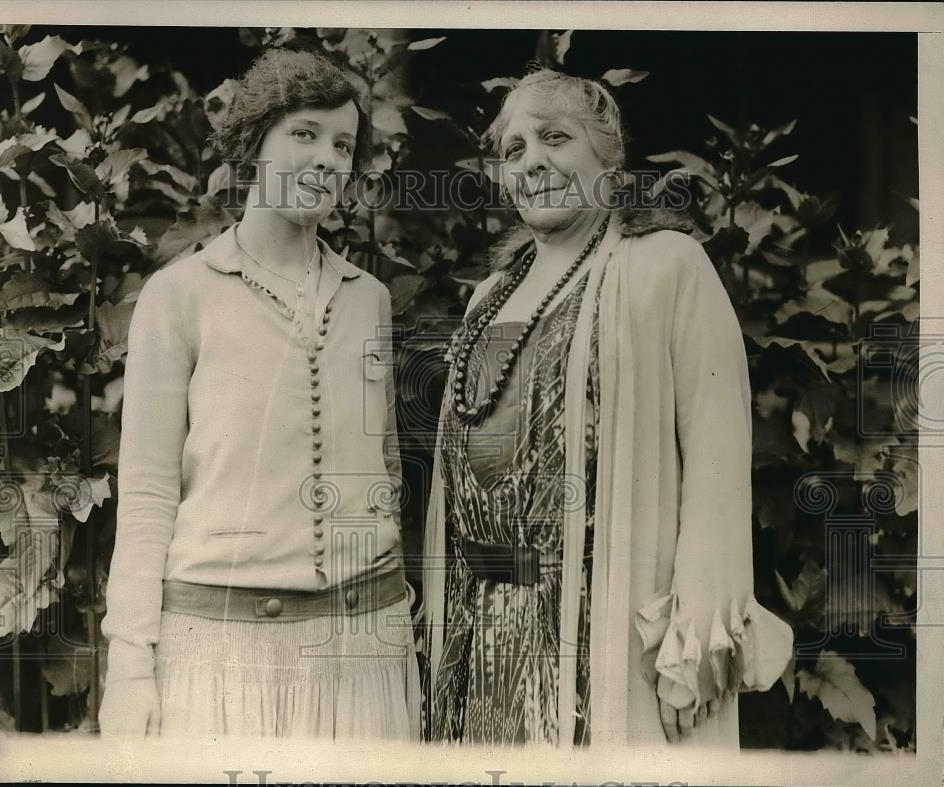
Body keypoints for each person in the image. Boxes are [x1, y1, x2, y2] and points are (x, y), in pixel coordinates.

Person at [422, 68, 794, 747]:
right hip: (482, 644)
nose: (533, 160)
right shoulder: (487, 300)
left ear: (608, 153)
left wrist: (695, 642)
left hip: (608, 634)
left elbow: (717, 458)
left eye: (554, 138)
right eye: (514, 149)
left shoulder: (667, 267)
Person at [98, 48, 419, 740]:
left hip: (363, 651)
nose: (328, 159)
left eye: (343, 144)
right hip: (219, 655)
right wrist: (129, 664)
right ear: (253, 143)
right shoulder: (178, 295)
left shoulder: (370, 300)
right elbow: (149, 492)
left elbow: (384, 464)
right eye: (304, 133)